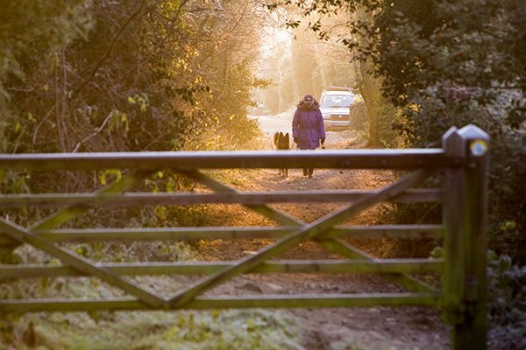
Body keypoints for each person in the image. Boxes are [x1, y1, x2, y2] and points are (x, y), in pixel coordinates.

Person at [292, 94, 326, 178]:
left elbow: (321, 124)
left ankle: (311, 171)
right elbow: (295, 124)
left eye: (310, 103)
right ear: (304, 102)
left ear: (312, 102)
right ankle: (304, 168)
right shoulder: (299, 111)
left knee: (312, 155)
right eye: (307, 102)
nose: (308, 104)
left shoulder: (317, 111)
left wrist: (322, 137)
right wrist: (295, 135)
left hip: (313, 135)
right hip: (302, 135)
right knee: (303, 155)